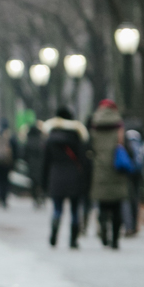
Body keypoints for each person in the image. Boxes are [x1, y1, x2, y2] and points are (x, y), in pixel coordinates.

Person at [41, 106, 89, 248]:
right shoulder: (77, 138)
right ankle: (73, 241)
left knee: (57, 209)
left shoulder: (50, 139)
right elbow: (83, 160)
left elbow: (45, 163)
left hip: (56, 177)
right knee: (75, 211)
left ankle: (54, 236)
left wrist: (43, 183)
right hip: (74, 177)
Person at [88, 99, 129, 249]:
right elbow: (124, 145)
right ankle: (115, 239)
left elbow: (90, 146)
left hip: (100, 170)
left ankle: (104, 230)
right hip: (116, 168)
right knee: (117, 207)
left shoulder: (94, 124)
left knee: (103, 206)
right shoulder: (119, 124)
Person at [0, 118, 18, 207]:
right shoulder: (10, 136)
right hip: (6, 163)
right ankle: (4, 199)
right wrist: (14, 162)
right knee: (5, 181)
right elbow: (16, 150)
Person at [23, 122, 46, 207]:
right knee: (40, 182)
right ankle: (41, 196)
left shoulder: (29, 140)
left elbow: (24, 154)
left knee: (33, 183)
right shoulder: (41, 140)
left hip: (31, 165)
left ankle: (35, 198)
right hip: (41, 165)